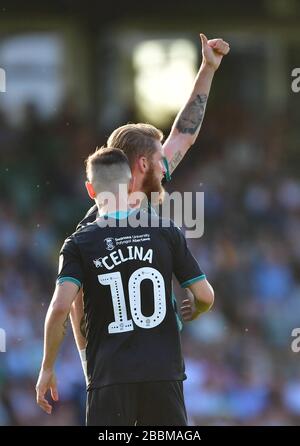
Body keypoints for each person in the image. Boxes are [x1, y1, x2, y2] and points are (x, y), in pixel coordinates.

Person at [69, 33, 229, 372]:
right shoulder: (92, 226)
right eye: (159, 158)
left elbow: (184, 133)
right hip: (118, 370)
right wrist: (88, 365)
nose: (166, 163)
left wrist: (208, 68)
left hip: (154, 361)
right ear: (142, 164)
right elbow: (75, 305)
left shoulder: (140, 190)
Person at [36, 147, 214, 425]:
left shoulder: (78, 243)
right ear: (131, 182)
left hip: (109, 378)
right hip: (163, 374)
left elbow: (60, 307)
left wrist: (47, 367)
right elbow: (204, 295)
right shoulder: (166, 231)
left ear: (90, 191)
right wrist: (199, 310)